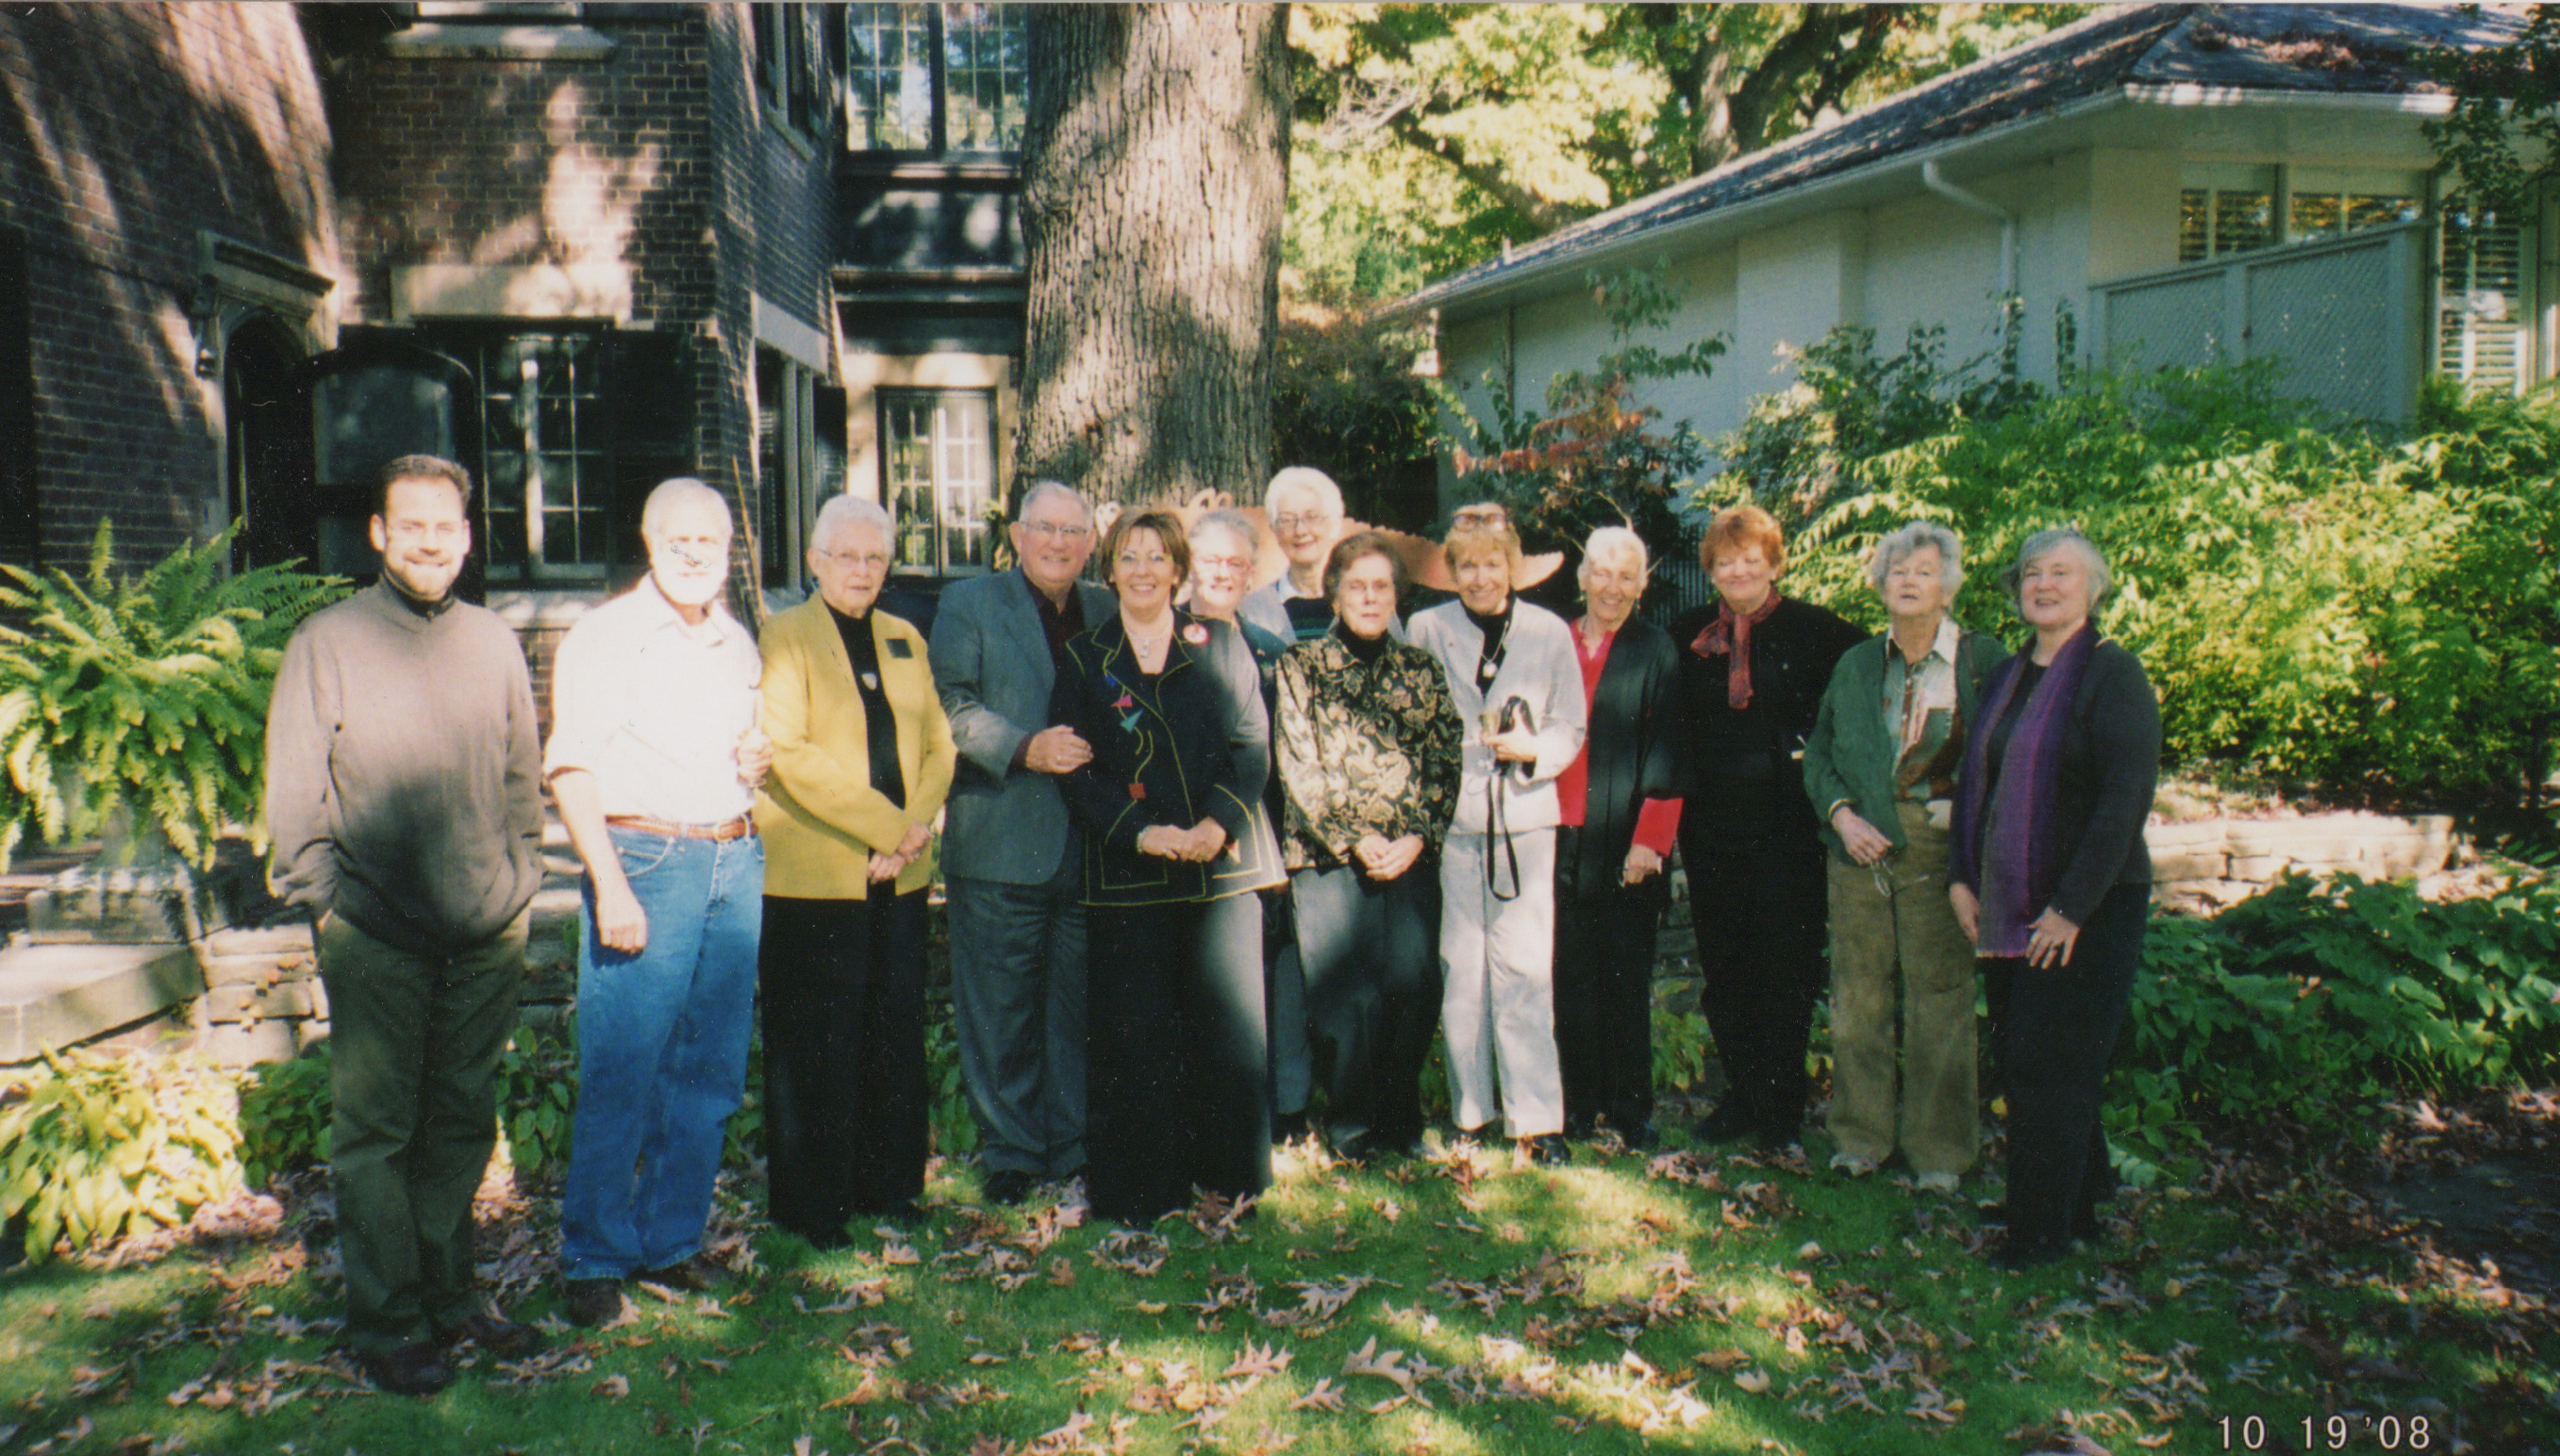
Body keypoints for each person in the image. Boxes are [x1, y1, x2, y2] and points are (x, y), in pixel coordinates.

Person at [264, 455, 547, 1396]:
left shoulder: (492, 641)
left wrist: (518, 880)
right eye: (410, 524)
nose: (431, 540)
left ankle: (449, 1292)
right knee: (378, 1130)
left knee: (461, 1118)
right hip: (374, 929)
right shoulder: (329, 640)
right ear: (380, 534)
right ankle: (387, 1319)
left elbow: (520, 779)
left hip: (484, 930)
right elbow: (295, 793)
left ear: (467, 537)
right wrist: (330, 903)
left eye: (447, 526)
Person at [547, 478, 771, 1327]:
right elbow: (572, 768)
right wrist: (609, 883)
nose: (694, 554)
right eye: (678, 540)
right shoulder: (604, 637)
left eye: (709, 541)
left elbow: (742, 752)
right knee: (624, 1067)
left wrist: (756, 759)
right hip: (644, 858)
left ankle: (670, 1244)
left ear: (727, 550)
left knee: (708, 1071)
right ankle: (594, 1258)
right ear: (649, 542)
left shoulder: (735, 642)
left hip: (732, 855)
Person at [1048, 509, 1287, 1222]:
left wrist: (1215, 824)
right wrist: (1144, 835)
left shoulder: (1217, 642)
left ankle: (1230, 1181)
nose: (1144, 570)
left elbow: (1252, 746)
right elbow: (1075, 773)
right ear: (1111, 569)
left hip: (1220, 870)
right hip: (1129, 874)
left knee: (1224, 1029)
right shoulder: (1086, 657)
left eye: (1158, 557)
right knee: (1135, 1034)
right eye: (1130, 556)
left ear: (1178, 569)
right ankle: (1140, 1191)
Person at [1948, 527, 2159, 1269]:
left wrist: (2071, 907)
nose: (2044, 585)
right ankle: (2072, 1203)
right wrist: (1961, 879)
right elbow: (1979, 786)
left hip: (2085, 909)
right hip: (2009, 904)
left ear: (2092, 588)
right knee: (2031, 1059)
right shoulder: (2007, 675)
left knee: (2051, 1065)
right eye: (2032, 574)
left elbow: (2124, 799)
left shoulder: (2113, 675)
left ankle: (2037, 1236)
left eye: (2061, 573)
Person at [754, 495, 956, 1241]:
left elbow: (941, 744)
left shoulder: (905, 635)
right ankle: (814, 1207)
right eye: (848, 556)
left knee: (891, 1032)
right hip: (818, 876)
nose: (864, 570)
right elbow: (791, 754)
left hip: (898, 876)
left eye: (876, 557)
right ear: (815, 561)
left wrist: (906, 840)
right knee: (817, 1040)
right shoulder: (786, 635)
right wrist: (888, 826)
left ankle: (890, 1189)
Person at [929, 481, 1119, 1204]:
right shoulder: (970, 603)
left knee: (1075, 1007)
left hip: (1090, 846)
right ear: (1016, 534)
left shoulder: (1106, 609)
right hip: (1002, 833)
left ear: (1091, 542)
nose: (1061, 543)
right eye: (1046, 529)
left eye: (1075, 531)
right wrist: (1023, 747)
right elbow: (948, 706)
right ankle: (1010, 1153)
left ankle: (1071, 1148)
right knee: (1001, 1007)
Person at [1803, 521, 2006, 1192]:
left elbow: (2007, 757)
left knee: (1940, 995)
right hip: (1858, 843)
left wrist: (1968, 823)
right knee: (1859, 993)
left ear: (1948, 584)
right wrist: (1841, 816)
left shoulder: (1984, 661)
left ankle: (1941, 1152)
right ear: (1880, 584)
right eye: (1898, 570)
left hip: (1942, 849)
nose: (1911, 580)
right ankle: (1860, 1139)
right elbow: (1822, 756)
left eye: (1925, 569)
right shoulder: (1858, 663)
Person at [1671, 504, 1867, 1151]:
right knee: (1726, 970)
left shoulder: (1820, 631)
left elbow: (1869, 690)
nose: (1738, 571)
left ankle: (1782, 1106)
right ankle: (1742, 1097)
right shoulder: (1686, 633)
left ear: (1774, 563)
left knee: (1785, 969)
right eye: (1725, 562)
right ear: (1711, 569)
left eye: (1751, 559)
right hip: (1711, 830)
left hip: (1788, 832)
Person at [1272, 532, 1461, 1162]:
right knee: (1343, 998)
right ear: (1335, 592)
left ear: (1397, 595)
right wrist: (1358, 839)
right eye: (1357, 585)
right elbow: (1299, 766)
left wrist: (1415, 836)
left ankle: (1401, 1124)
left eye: (1382, 586)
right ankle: (1352, 1127)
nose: (1370, 597)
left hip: (1409, 856)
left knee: (1411, 987)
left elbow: (1445, 757)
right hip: (1329, 860)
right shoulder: (1302, 669)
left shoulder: (1421, 670)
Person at [1408, 506, 1586, 1166]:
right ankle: (1470, 1114)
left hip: (1525, 819)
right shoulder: (1427, 627)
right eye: (1468, 565)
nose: (1480, 576)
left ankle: (1536, 1121)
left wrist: (1531, 749)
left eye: (1492, 563)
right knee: (1462, 970)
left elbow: (1572, 723)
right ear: (1453, 571)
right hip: (1454, 824)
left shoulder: (1547, 632)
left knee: (1525, 969)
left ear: (1511, 566)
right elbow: (1414, 718)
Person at [1550, 526, 1683, 1150]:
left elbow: (1668, 746)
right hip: (1555, 832)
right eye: (1601, 571)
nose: (1612, 585)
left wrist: (1650, 842)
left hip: (1625, 838)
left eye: (1626, 575)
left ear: (1643, 585)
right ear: (1581, 576)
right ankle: (1577, 1106)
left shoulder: (1655, 649)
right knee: (1568, 975)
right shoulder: (1552, 640)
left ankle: (1631, 1109)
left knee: (1625, 978)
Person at [1187, 509, 1308, 1141]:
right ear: (1190, 564)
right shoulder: (1163, 637)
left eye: (1238, 563)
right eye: (1212, 561)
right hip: (1192, 837)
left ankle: (1280, 1112)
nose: (1224, 573)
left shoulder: (1271, 647)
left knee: (1272, 977)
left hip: (1267, 837)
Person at [1242, 467, 1355, 645]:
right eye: (1287, 520)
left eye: (1312, 517)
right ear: (1274, 530)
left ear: (1335, 524)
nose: (1300, 530)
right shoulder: (1252, 610)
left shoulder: (1366, 600)